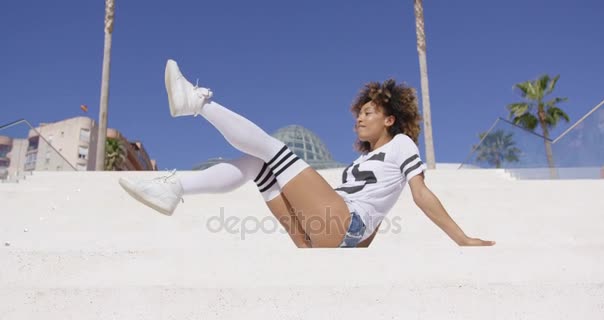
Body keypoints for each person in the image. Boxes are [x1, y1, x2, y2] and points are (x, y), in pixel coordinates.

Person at [119, 59, 495, 248]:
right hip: (317, 235)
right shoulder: (363, 161)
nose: (360, 119)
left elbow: (420, 193)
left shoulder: (402, 145)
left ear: (391, 118)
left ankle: (197, 104)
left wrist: (461, 238)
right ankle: (175, 187)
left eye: (369, 113)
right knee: (257, 164)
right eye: (359, 113)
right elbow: (370, 204)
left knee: (272, 149)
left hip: (341, 227)